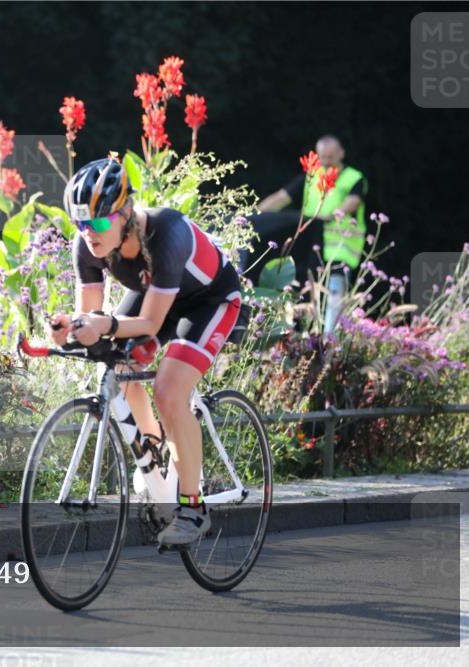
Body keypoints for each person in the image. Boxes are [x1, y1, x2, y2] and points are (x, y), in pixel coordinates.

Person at [48, 158, 242, 546]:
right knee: (116, 366)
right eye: (79, 223)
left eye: (97, 222)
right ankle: (154, 448)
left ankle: (193, 509)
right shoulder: (87, 245)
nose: (88, 233)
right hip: (158, 294)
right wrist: (70, 329)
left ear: (125, 213)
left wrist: (104, 325)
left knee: (169, 391)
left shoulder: (166, 234)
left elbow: (151, 324)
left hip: (208, 300)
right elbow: (91, 317)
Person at [252, 134, 368, 280]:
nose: (327, 162)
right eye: (323, 157)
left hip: (340, 248)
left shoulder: (354, 178)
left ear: (341, 153)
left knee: (334, 287)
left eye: (331, 157)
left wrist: (329, 216)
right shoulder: (312, 176)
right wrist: (255, 214)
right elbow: (281, 198)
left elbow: (353, 202)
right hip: (310, 244)